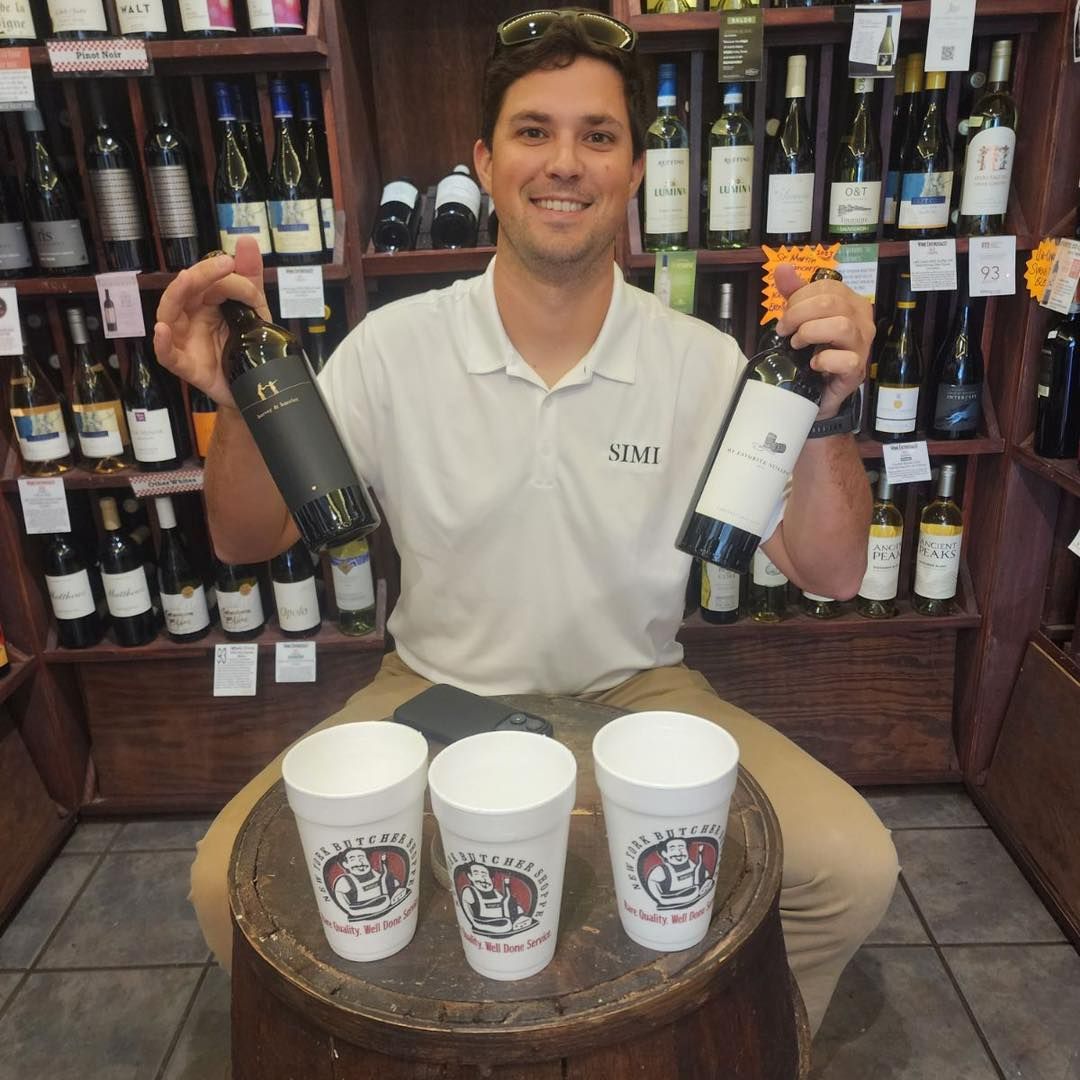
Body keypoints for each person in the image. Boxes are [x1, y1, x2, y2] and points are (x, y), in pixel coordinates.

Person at [156, 8, 898, 1036]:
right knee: (217, 888)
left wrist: (830, 412)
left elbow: (828, 568)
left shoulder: (703, 362)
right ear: (485, 160)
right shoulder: (391, 347)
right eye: (533, 131)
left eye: (598, 136)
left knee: (853, 867)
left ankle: (719, 1052)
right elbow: (248, 540)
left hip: (641, 690)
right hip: (429, 689)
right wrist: (236, 409)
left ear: (635, 170)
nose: (566, 163)